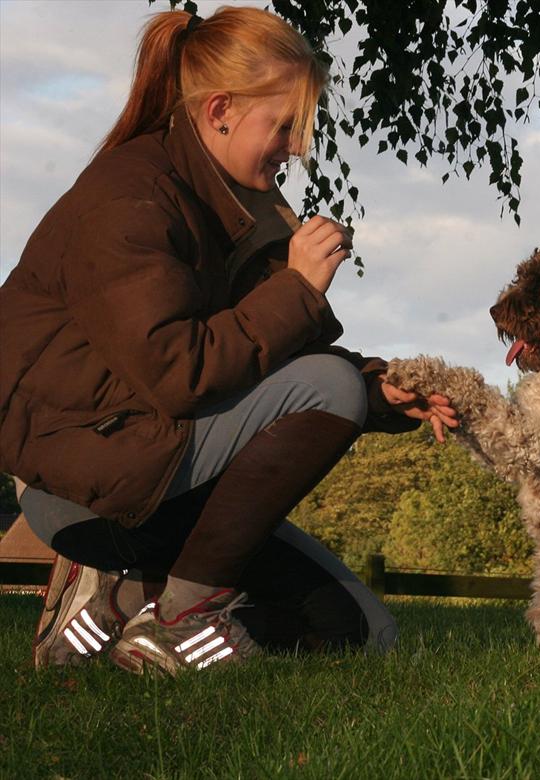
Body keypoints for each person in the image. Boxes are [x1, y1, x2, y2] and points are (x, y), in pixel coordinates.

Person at [0, 6, 457, 674]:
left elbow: (275, 362)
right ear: (219, 111)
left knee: (360, 634)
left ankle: (118, 599)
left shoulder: (240, 206)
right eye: (285, 125)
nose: (297, 147)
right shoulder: (128, 199)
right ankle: (183, 618)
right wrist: (300, 289)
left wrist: (379, 391)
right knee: (328, 390)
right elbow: (180, 372)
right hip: (87, 490)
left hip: (165, 466)